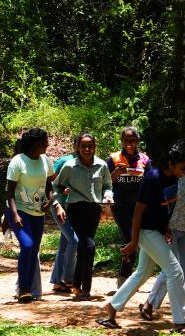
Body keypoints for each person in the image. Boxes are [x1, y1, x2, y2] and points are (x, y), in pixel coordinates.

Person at [97, 144, 185, 333]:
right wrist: (134, 241)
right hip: (145, 231)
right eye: (182, 168)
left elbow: (161, 207)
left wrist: (165, 227)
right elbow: (138, 212)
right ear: (170, 163)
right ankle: (181, 322)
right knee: (175, 271)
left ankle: (112, 309)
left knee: (143, 272)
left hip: (157, 230)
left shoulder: (172, 179)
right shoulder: (152, 178)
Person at [142, 141, 185, 319]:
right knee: (172, 270)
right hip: (169, 230)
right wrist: (162, 227)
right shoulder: (171, 179)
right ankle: (150, 304)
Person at [53, 132, 113, 300]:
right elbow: (56, 186)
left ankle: (76, 286)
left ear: (94, 147)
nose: (87, 149)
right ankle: (86, 289)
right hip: (75, 208)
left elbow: (108, 185)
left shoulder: (101, 165)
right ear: (77, 148)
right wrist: (58, 205)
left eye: (90, 145)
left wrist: (108, 195)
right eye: (84, 146)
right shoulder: (70, 166)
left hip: (94, 209)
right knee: (89, 245)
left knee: (83, 247)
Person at [6, 128, 53, 303]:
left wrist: (50, 200)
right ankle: (23, 289)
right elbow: (9, 193)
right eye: (45, 141)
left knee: (34, 250)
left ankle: (28, 289)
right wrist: (15, 215)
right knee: (27, 245)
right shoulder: (18, 162)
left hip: (38, 213)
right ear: (37, 144)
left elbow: (49, 184)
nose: (47, 145)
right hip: (19, 211)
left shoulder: (45, 161)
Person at [106, 127, 150, 287]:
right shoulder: (113, 159)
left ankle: (127, 276)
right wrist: (115, 174)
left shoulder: (145, 160)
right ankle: (124, 278)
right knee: (130, 238)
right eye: (126, 141)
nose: (129, 144)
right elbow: (104, 183)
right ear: (122, 141)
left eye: (132, 140)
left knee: (136, 240)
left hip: (139, 206)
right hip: (120, 206)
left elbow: (150, 183)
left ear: (137, 141)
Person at [50, 136, 79, 294]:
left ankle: (56, 282)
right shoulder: (64, 161)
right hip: (59, 206)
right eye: (81, 145)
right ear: (75, 146)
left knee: (65, 244)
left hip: (74, 208)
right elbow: (52, 184)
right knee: (74, 241)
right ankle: (68, 279)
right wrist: (57, 203)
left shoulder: (88, 163)